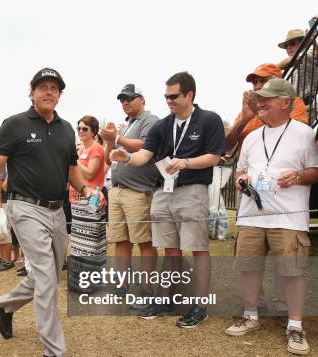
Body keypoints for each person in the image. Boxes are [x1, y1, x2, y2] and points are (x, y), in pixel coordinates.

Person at [0, 67, 103, 357]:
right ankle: (53, 354)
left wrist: (88, 190)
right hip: (24, 207)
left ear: (59, 94)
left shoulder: (67, 129)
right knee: (48, 279)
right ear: (32, 92)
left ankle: (5, 305)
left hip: (57, 212)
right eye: (43, 87)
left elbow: (73, 172)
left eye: (54, 88)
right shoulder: (15, 124)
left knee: (45, 277)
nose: (49, 92)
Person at [110, 71, 225, 327]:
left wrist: (185, 162)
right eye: (166, 96)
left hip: (193, 189)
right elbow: (144, 155)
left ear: (190, 94)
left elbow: (215, 156)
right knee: (170, 249)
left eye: (174, 96)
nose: (169, 101)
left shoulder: (209, 119)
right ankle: (166, 299)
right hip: (163, 192)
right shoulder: (163, 125)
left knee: (198, 249)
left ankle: (199, 306)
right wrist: (126, 157)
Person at [225, 78, 318, 355]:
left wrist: (299, 176)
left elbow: (315, 170)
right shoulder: (252, 136)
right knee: (248, 268)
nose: (260, 103)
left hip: (288, 218)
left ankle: (295, 326)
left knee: (292, 272)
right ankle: (250, 315)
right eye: (258, 99)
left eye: (266, 99)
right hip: (251, 216)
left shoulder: (304, 134)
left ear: (286, 102)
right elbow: (240, 170)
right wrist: (241, 180)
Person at [100, 84, 160, 305]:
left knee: (145, 242)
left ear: (141, 99)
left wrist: (117, 139)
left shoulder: (150, 120)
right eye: (122, 99)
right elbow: (109, 160)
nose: (125, 102)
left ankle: (147, 289)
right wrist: (109, 142)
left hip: (138, 191)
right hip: (117, 190)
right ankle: (121, 285)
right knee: (120, 240)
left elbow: (147, 144)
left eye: (129, 98)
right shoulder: (125, 125)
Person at [225, 64, 308, 154]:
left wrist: (257, 112)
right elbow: (225, 147)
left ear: (278, 82)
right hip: (246, 167)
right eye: (255, 82)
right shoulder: (247, 109)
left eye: (263, 81)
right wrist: (242, 122)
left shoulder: (293, 102)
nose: (257, 86)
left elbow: (294, 136)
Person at [68, 115, 106, 257]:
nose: (81, 131)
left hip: (92, 198)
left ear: (93, 131)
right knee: (79, 239)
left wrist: (74, 160)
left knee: (92, 238)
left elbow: (90, 174)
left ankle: (93, 272)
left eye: (85, 128)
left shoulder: (96, 148)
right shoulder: (79, 149)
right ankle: (82, 270)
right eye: (78, 128)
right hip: (76, 199)